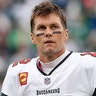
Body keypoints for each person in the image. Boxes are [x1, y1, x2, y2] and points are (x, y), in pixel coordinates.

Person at [1, 1, 96, 96]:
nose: (48, 33)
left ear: (66, 34)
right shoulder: (17, 72)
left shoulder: (89, 65)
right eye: (42, 28)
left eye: (54, 27)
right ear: (32, 37)